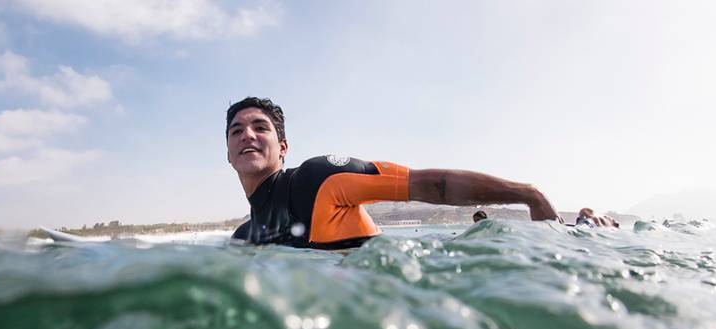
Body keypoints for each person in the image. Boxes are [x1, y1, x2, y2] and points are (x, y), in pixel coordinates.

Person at [227, 97, 559, 249]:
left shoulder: (318, 179)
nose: (248, 135)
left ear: (283, 147)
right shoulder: (245, 238)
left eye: (260, 127)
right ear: (228, 153)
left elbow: (429, 185)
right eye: (236, 131)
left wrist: (528, 194)